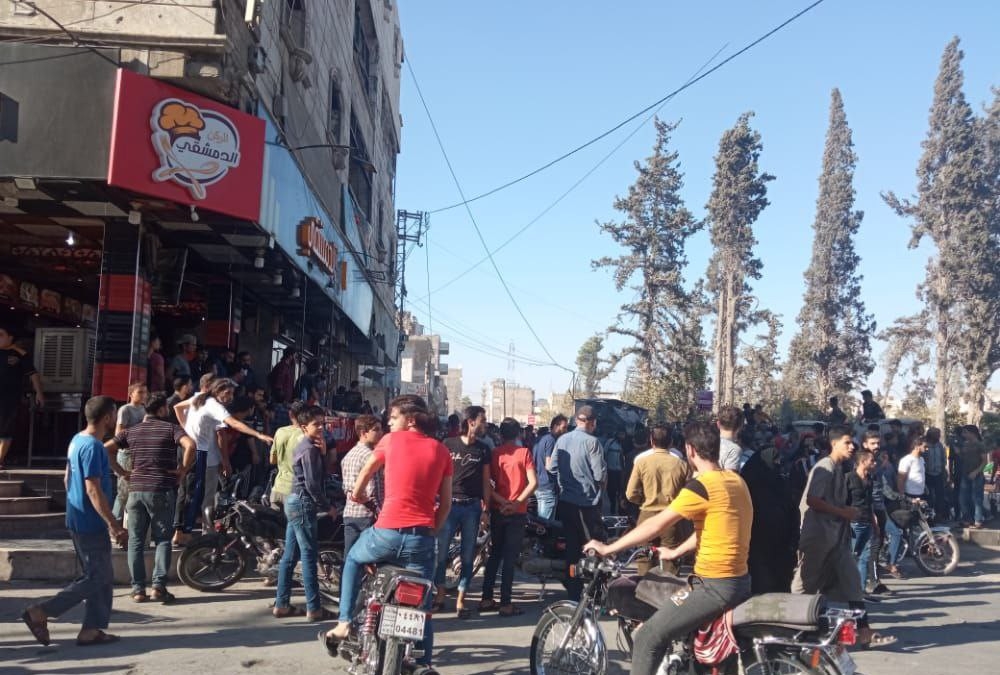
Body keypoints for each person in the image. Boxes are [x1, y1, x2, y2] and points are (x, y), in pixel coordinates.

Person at [584, 421, 753, 675]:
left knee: (648, 637)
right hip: (740, 581)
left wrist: (609, 548)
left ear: (690, 450)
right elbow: (710, 530)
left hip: (714, 586)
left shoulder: (701, 487)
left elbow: (655, 525)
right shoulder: (735, 480)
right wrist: (675, 552)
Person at [324, 395, 452, 674]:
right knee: (422, 608)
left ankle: (344, 622)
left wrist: (357, 495)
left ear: (411, 420)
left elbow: (365, 474)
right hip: (421, 540)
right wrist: (432, 530)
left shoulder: (391, 441)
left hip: (385, 534)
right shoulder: (441, 451)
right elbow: (446, 504)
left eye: (393, 418)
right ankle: (423, 663)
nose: (389, 423)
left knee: (353, 559)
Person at [20, 396, 128, 647]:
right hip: (90, 522)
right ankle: (41, 611)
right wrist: (113, 523)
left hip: (78, 517)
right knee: (96, 577)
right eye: (114, 415)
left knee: (102, 576)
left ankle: (91, 629)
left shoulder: (77, 440)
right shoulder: (94, 447)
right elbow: (93, 489)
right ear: (107, 418)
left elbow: (67, 478)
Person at [792, 424, 895, 648]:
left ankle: (864, 631)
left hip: (837, 538)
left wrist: (845, 513)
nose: (852, 447)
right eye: (847, 442)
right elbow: (813, 500)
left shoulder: (839, 468)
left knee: (852, 581)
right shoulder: (825, 467)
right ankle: (793, 630)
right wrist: (843, 512)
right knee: (805, 585)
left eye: (852, 442)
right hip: (818, 536)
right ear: (834, 443)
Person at [104, 394, 196, 603]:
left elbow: (106, 449)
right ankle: (158, 587)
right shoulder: (171, 429)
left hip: (136, 490)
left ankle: (138, 590)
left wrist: (122, 472)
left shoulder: (132, 431)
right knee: (162, 539)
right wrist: (182, 470)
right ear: (162, 409)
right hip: (161, 489)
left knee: (135, 541)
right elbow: (190, 445)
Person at [180, 379, 273, 534]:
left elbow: (178, 407)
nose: (230, 397)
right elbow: (233, 424)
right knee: (206, 497)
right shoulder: (215, 406)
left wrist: (186, 429)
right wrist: (259, 435)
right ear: (217, 391)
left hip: (196, 453)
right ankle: (202, 532)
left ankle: (189, 531)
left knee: (192, 493)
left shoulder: (198, 398)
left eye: (232, 393)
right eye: (227, 392)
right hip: (207, 457)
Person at [273, 405, 337, 621]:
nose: (321, 428)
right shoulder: (308, 448)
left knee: (290, 556)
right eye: (316, 424)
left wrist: (323, 453)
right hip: (303, 503)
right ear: (303, 427)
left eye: (323, 423)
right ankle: (314, 608)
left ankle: (282, 604)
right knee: (308, 556)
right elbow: (312, 484)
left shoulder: (310, 446)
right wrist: (327, 506)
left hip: (294, 501)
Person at [433, 405, 491, 617]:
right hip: (449, 506)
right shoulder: (448, 444)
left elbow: (486, 481)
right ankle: (440, 595)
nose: (485, 424)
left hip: (472, 508)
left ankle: (460, 600)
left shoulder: (484, 449)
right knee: (441, 554)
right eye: (483, 420)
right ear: (471, 422)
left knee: (468, 555)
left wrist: (486, 509)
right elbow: (437, 474)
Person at [480, 417, 536, 617]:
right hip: (517, 512)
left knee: (495, 554)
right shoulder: (524, 453)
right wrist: (516, 503)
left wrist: (503, 502)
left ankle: (486, 598)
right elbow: (533, 483)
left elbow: (488, 485)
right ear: (518, 434)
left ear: (500, 434)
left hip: (498, 510)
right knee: (510, 558)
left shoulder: (494, 454)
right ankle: (505, 602)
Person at [551, 405, 607, 601]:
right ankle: (595, 591)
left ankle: (573, 592)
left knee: (572, 550)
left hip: (566, 502)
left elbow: (552, 467)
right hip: (587, 504)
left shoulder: (562, 440)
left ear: (576, 420)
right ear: (592, 423)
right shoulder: (593, 442)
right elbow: (599, 475)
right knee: (593, 548)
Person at [625, 423, 690, 575]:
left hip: (647, 515)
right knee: (671, 560)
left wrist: (642, 500)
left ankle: (645, 587)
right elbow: (688, 493)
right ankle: (669, 588)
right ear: (671, 442)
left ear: (651, 441)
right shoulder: (681, 464)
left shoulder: (642, 462)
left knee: (644, 557)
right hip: (672, 516)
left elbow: (630, 493)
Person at [741, 444, 797, 594]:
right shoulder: (748, 484)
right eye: (774, 460)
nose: (777, 463)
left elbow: (792, 511)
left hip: (781, 545)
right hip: (756, 543)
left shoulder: (781, 483)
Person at [0, 324, 44, 470]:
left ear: (10, 337)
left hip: (9, 399)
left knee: (6, 429)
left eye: (1, 335)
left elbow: (33, 374)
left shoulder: (20, 354)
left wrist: (39, 393)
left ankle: (0, 459)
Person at [340, 414, 384, 559]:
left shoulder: (350, 454)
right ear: (363, 433)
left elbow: (346, 487)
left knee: (350, 557)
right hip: (368, 514)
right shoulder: (370, 456)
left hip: (351, 512)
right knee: (368, 558)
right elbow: (373, 490)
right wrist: (379, 510)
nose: (381, 433)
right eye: (376, 430)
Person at [112, 382, 149, 523]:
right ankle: (116, 521)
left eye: (145, 392)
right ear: (131, 394)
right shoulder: (125, 410)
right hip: (127, 453)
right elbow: (119, 432)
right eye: (140, 392)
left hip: (140, 453)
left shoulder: (144, 410)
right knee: (123, 490)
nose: (143, 395)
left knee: (135, 490)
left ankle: (129, 523)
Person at [847, 449, 877, 595]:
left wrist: (875, 523)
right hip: (854, 523)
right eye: (872, 461)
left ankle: (861, 589)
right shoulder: (849, 478)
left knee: (865, 557)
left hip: (867, 522)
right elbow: (842, 500)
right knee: (852, 556)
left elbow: (870, 503)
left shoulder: (870, 479)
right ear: (863, 462)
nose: (874, 463)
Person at [268, 401, 306, 510]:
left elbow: (272, 460)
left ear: (290, 414)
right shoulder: (306, 436)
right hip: (295, 492)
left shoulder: (280, 431)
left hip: (277, 490)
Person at [532, 414, 568, 520]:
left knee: (542, 522)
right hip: (547, 487)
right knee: (545, 523)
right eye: (564, 427)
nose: (566, 431)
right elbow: (549, 466)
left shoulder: (542, 439)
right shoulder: (551, 440)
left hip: (540, 485)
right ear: (556, 426)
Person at [958, 425, 987, 528]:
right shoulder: (965, 444)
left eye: (965, 432)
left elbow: (984, 461)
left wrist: (976, 472)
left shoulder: (980, 444)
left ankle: (978, 519)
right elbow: (963, 458)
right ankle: (967, 519)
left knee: (976, 498)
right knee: (963, 498)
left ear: (972, 433)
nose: (963, 435)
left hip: (977, 475)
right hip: (965, 474)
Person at [923, 427, 948, 520]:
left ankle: (939, 515)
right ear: (931, 435)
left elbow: (943, 458)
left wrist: (944, 470)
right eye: (937, 434)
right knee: (929, 495)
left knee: (940, 495)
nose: (939, 436)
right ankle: (929, 515)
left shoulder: (939, 445)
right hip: (927, 474)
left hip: (938, 473)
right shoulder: (925, 445)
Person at [897, 434, 927, 500]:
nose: (927, 449)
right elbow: (900, 479)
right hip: (910, 494)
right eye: (925, 446)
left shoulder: (922, 459)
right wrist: (902, 495)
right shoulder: (906, 460)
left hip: (921, 493)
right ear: (916, 447)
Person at [716, 405, 744, 471]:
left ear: (718, 424)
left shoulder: (707, 443)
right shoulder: (734, 450)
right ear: (740, 426)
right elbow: (730, 476)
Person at [603, 430, 624, 514]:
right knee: (611, 490)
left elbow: (622, 457)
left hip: (619, 471)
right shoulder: (610, 442)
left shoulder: (623, 444)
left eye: (623, 434)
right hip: (610, 471)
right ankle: (612, 505)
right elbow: (604, 454)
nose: (622, 436)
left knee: (620, 490)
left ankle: (619, 508)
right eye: (620, 434)